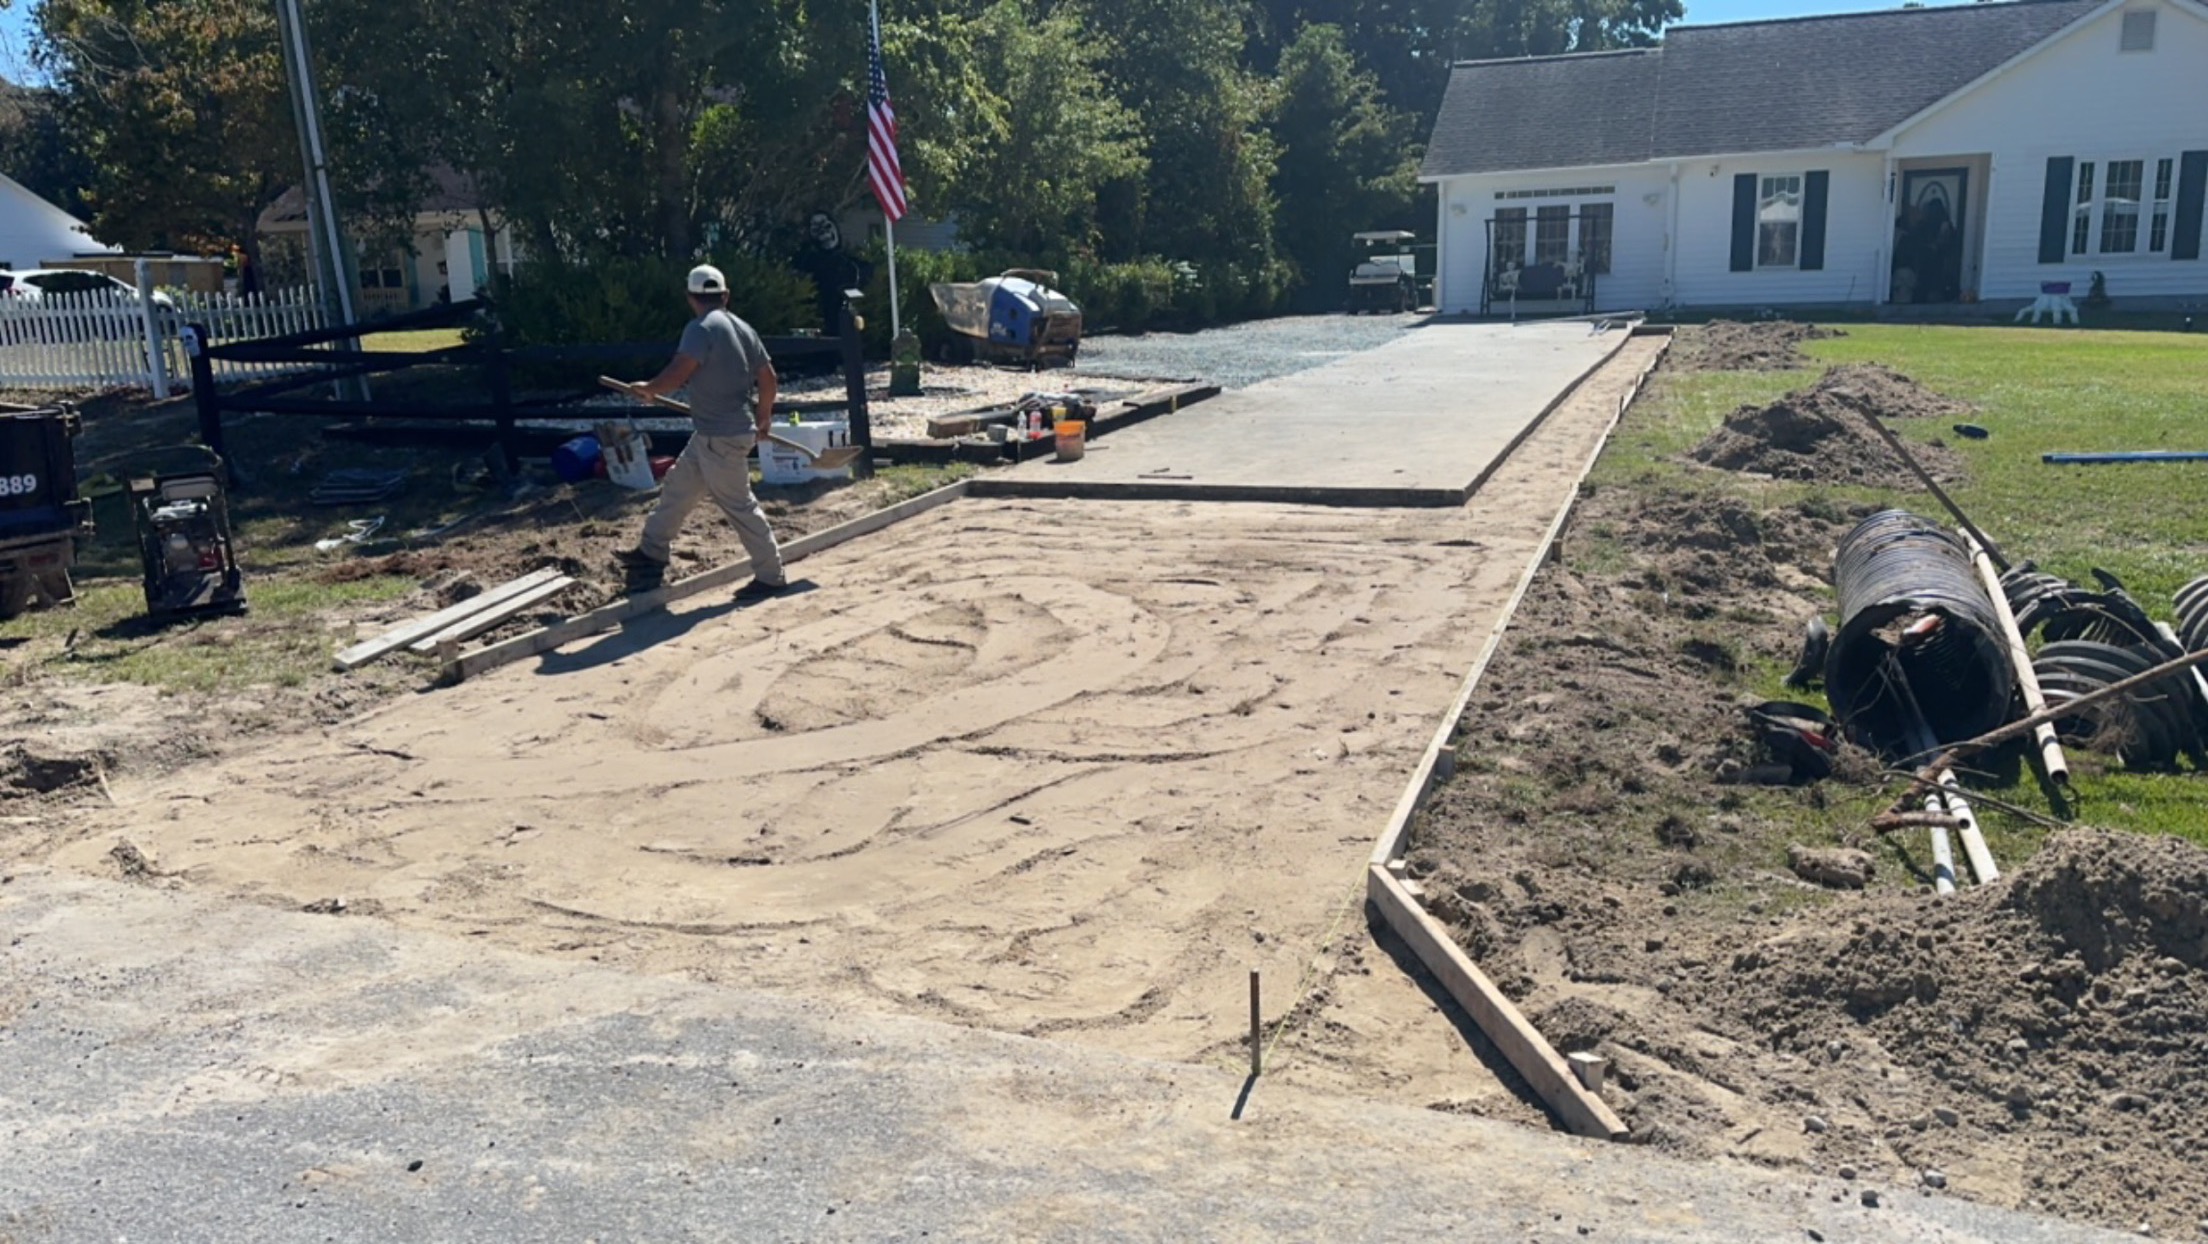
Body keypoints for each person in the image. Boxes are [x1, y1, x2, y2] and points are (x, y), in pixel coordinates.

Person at [611, 264, 789, 599]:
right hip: (714, 434)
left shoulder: (699, 328)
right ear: (725, 295)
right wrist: (763, 418)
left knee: (739, 505)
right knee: (678, 489)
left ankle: (771, 575)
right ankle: (651, 554)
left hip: (719, 438)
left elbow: (680, 371)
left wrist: (650, 388)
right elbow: (769, 379)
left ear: (690, 298)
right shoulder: (743, 328)